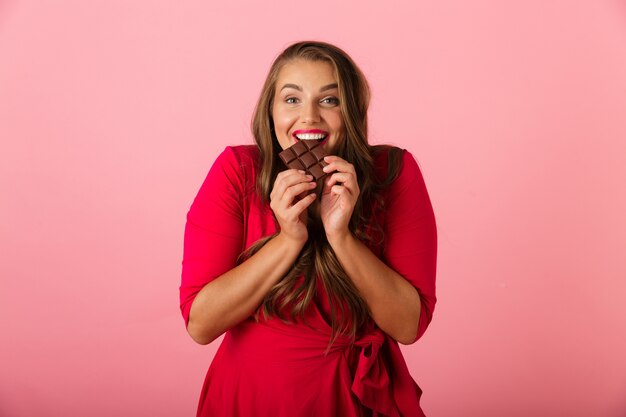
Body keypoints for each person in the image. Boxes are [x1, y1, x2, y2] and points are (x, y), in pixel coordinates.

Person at [179, 40, 438, 417]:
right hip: (252, 397)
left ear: (352, 111)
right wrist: (288, 239)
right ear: (270, 111)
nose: (309, 117)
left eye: (329, 101)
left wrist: (341, 236)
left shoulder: (394, 173)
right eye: (292, 100)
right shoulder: (237, 171)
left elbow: (408, 325)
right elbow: (201, 325)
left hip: (355, 399)